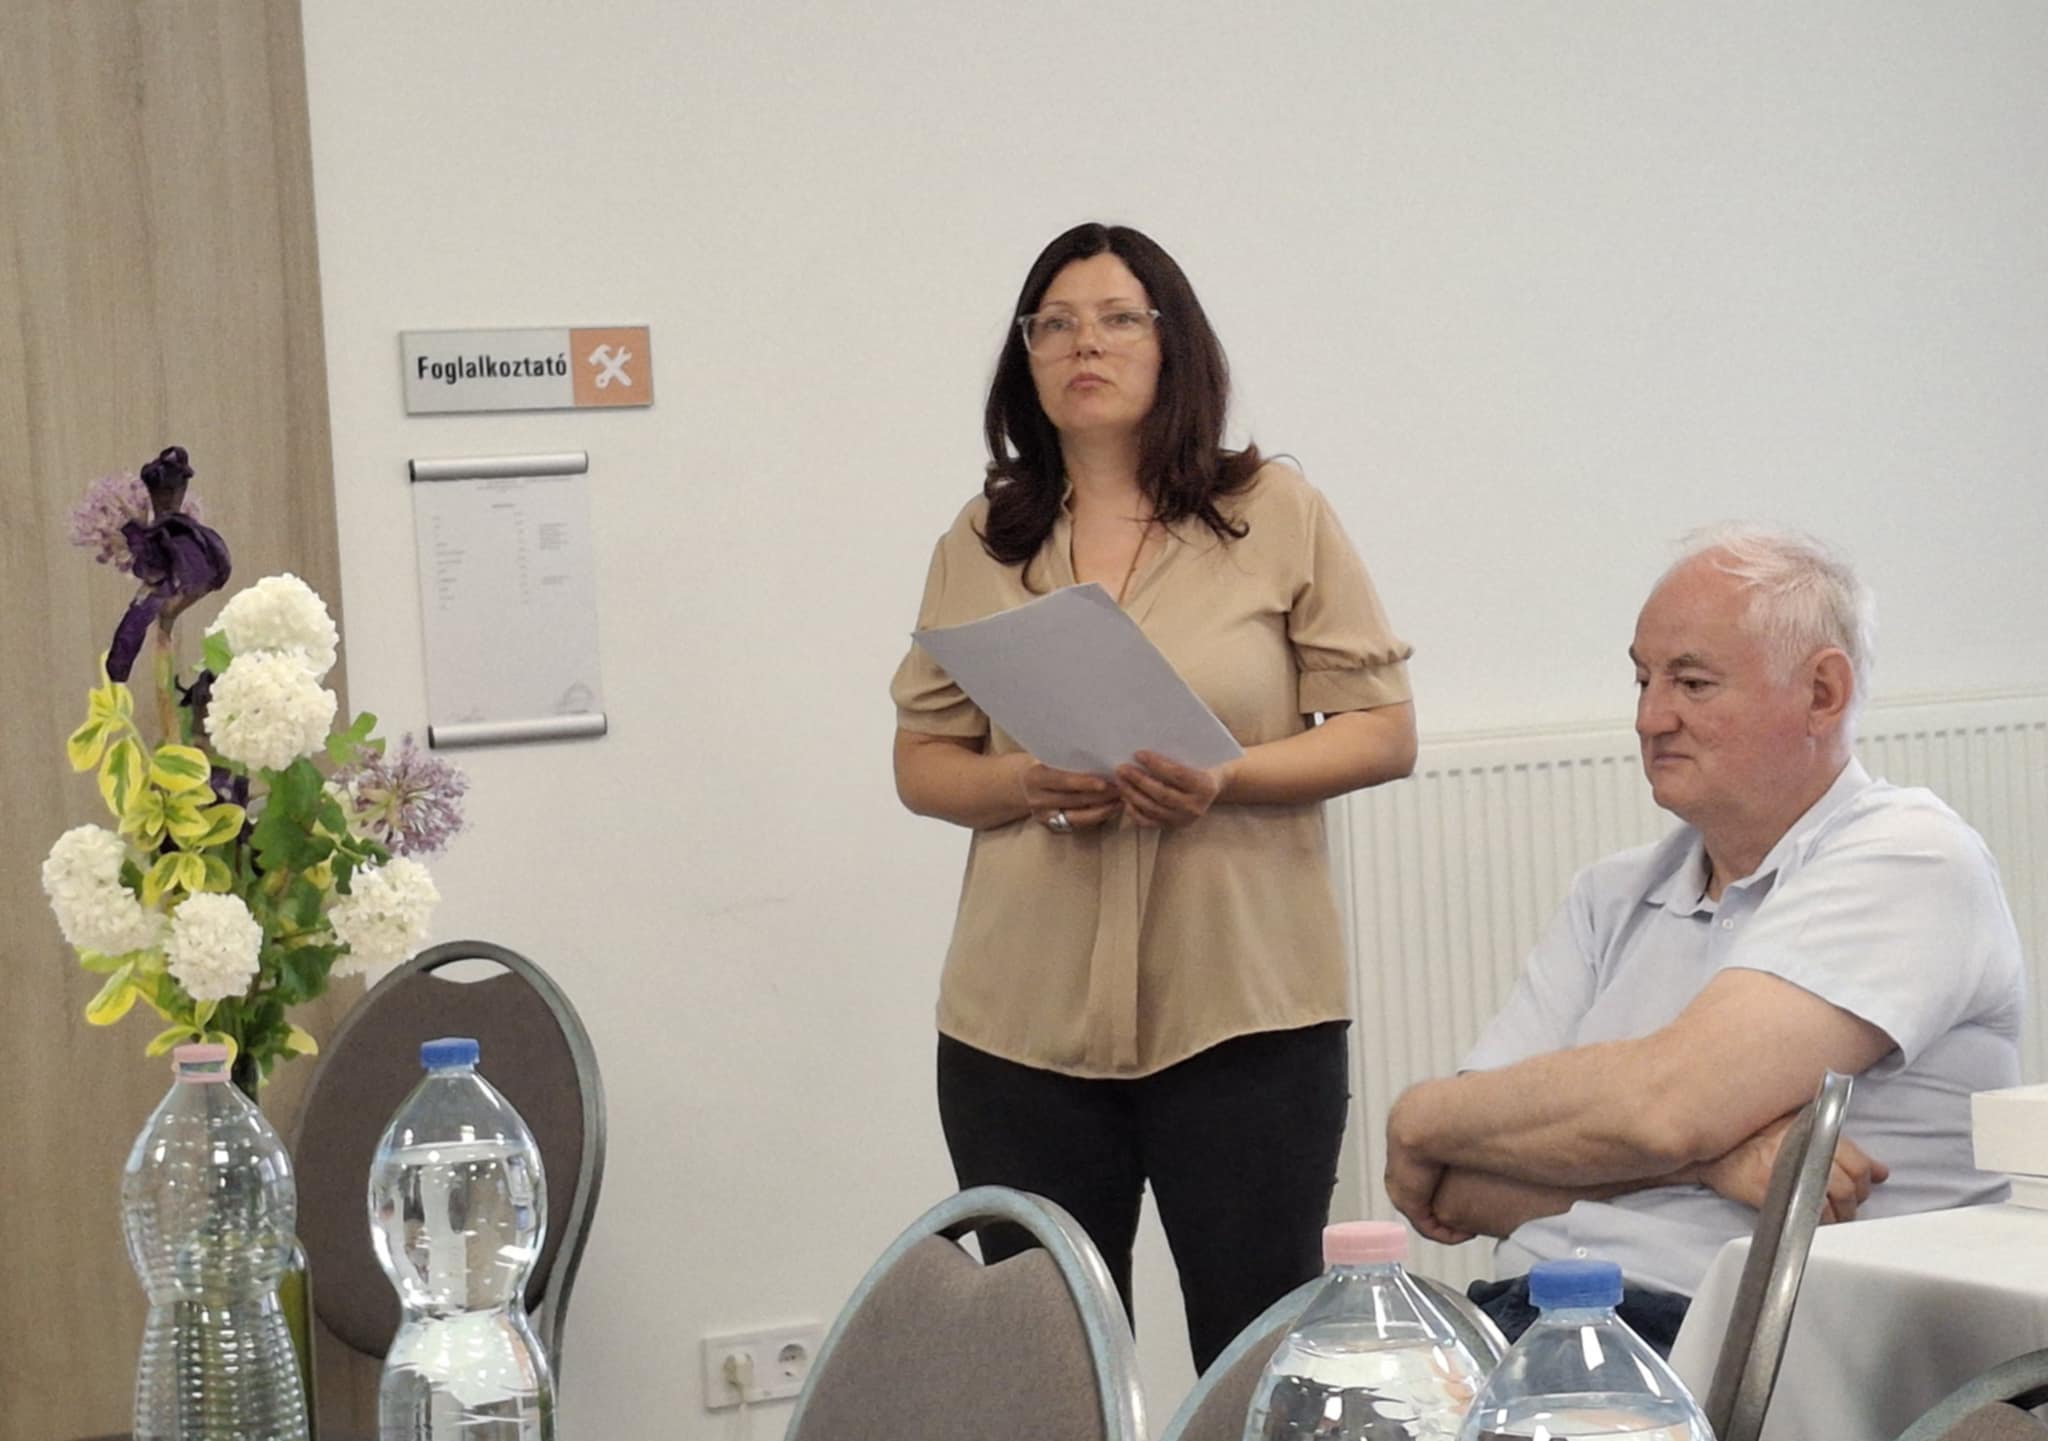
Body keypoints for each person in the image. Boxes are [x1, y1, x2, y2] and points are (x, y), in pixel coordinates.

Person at [889, 222, 1418, 1370]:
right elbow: (921, 760)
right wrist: (1022, 781)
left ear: (1172, 344)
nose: (1084, 343)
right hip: (1017, 1021)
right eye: (1054, 323)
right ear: (1025, 357)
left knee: (1253, 1349)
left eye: (1117, 318)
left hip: (1244, 1010)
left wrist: (1224, 777)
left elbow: (1382, 732)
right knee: (1047, 1361)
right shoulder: (983, 537)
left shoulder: (1273, 510)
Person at [1384, 526, 2024, 1354]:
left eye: (1692, 682)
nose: (1651, 717)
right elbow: (1456, 1181)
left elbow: (1666, 1107)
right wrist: (1708, 1165)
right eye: (1643, 679)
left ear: (1823, 693)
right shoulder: (1611, 894)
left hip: (1744, 1348)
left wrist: (1418, 1111)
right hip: (1535, 1319)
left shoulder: (1912, 856)